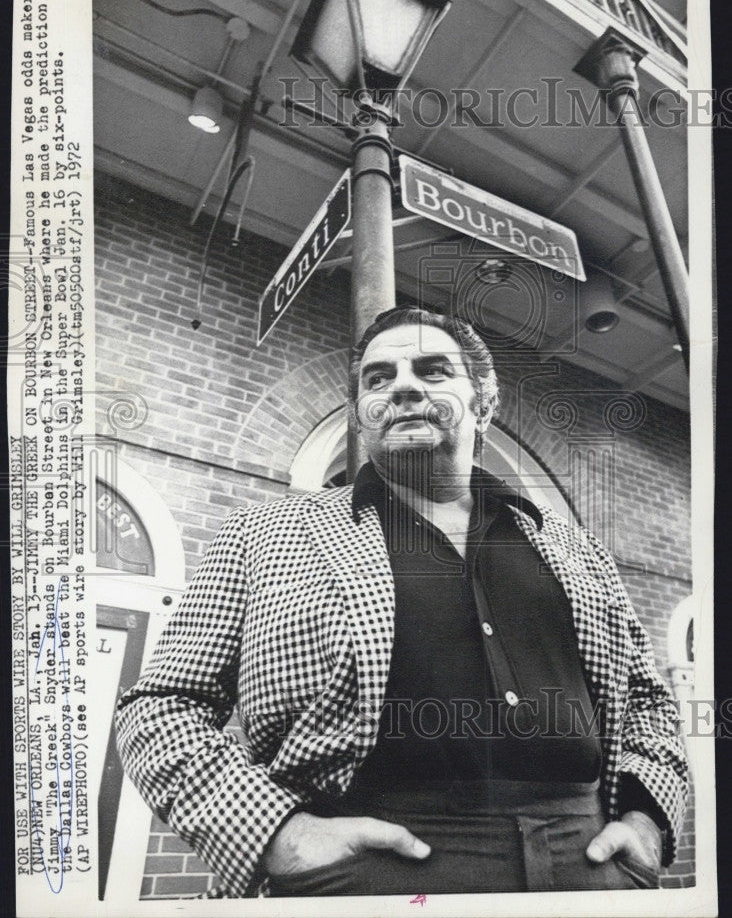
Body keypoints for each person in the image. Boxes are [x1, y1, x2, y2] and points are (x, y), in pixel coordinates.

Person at [115, 306, 688, 898]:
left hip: (588, 868)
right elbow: (160, 706)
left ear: (484, 404)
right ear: (363, 414)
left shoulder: (573, 548)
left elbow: (647, 699)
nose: (404, 386)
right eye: (378, 377)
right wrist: (279, 833)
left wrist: (646, 820)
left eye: (434, 370)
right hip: (363, 872)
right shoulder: (263, 534)